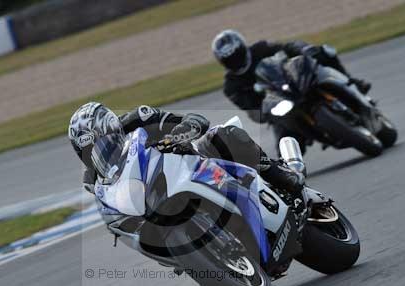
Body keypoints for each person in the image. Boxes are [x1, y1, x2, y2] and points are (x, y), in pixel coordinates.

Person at [68, 102, 304, 195]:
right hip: (160, 196)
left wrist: (180, 133)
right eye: (91, 152)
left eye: (104, 143)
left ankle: (282, 175)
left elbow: (194, 119)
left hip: (196, 163)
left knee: (222, 134)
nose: (102, 152)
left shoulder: (138, 119)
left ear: (113, 129)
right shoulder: (94, 178)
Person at [212, 30, 371, 151]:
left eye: (237, 55)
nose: (235, 61)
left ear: (242, 48)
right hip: (278, 104)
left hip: (294, 81)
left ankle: (352, 82)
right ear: (223, 62)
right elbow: (251, 109)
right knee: (284, 148)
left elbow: (287, 48)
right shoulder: (231, 86)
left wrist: (304, 50)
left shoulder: (261, 49)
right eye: (230, 59)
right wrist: (265, 112)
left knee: (324, 53)